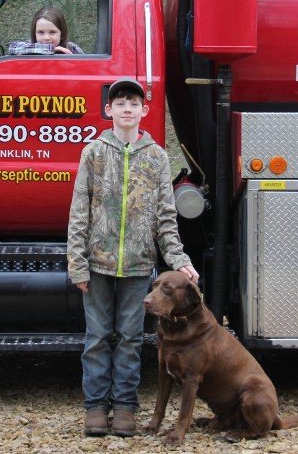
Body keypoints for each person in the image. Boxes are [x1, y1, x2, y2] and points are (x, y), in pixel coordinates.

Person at [67, 77, 200, 438]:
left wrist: (178, 259)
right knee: (97, 337)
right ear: (108, 110)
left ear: (145, 110)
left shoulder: (156, 157)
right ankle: (95, 407)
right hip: (97, 265)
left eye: (134, 103)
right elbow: (80, 209)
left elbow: (165, 216)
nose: (127, 108)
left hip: (139, 267)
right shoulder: (93, 152)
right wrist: (77, 262)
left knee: (128, 338)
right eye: (120, 103)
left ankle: (124, 407)